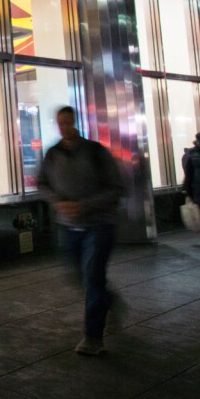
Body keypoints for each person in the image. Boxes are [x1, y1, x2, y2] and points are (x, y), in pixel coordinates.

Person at [35, 106, 125, 356]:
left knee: (93, 276)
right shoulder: (53, 154)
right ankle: (108, 302)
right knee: (77, 275)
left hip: (99, 225)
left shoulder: (96, 152)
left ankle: (93, 337)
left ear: (76, 122)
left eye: (68, 122)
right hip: (68, 226)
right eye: (60, 123)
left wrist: (85, 206)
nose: (64, 127)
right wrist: (57, 203)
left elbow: (116, 188)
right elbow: (42, 183)